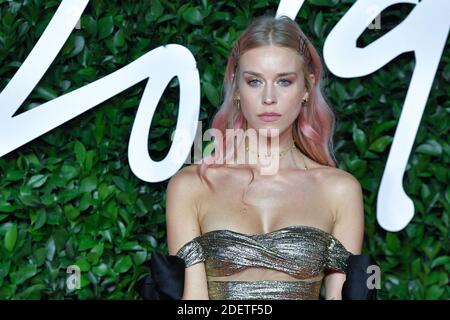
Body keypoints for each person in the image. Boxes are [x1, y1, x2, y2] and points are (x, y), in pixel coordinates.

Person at [146, 15, 372, 300]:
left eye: (284, 81)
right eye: (254, 82)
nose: (268, 98)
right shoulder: (192, 186)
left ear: (306, 88)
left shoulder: (339, 190)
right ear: (236, 88)